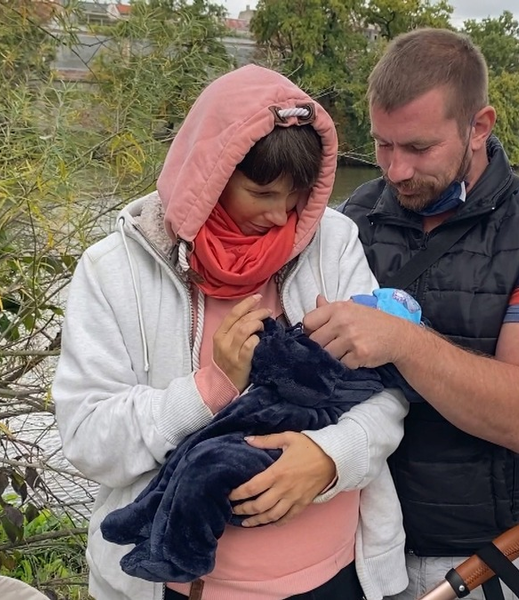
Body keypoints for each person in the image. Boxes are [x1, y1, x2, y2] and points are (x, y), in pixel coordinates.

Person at [52, 64, 409, 600]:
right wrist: (210, 388)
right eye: (261, 192)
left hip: (338, 577)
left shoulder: (333, 241)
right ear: (210, 175)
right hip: (180, 587)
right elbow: (88, 440)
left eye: (295, 195)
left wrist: (332, 456)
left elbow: (385, 388)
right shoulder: (111, 272)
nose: (280, 216)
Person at [302, 29, 519, 600]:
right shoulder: (351, 219)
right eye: (382, 145)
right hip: (363, 546)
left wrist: (404, 341)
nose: (395, 169)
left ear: (479, 126)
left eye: (418, 148)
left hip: (497, 558)